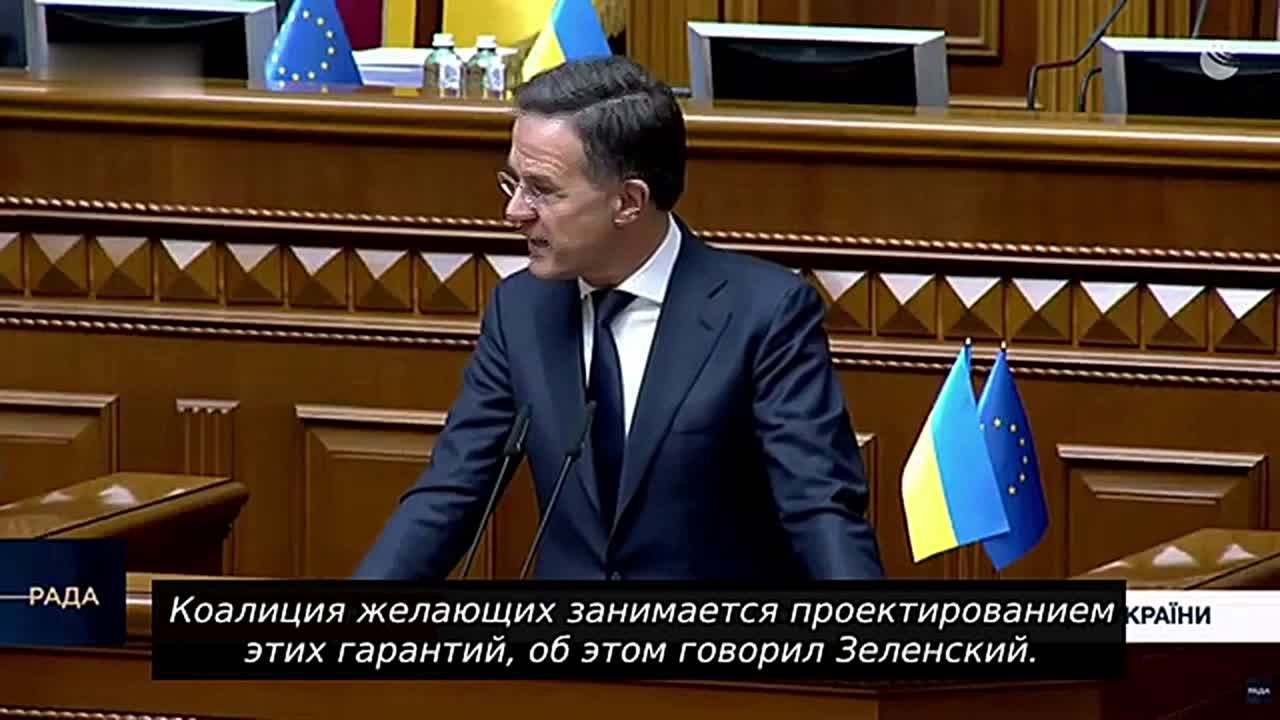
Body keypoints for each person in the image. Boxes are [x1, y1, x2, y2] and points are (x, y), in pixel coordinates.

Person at [354, 56, 882, 580]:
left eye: (542, 190)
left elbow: (820, 510)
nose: (514, 212)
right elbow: (451, 491)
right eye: (512, 183)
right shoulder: (520, 310)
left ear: (628, 201)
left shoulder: (763, 315)